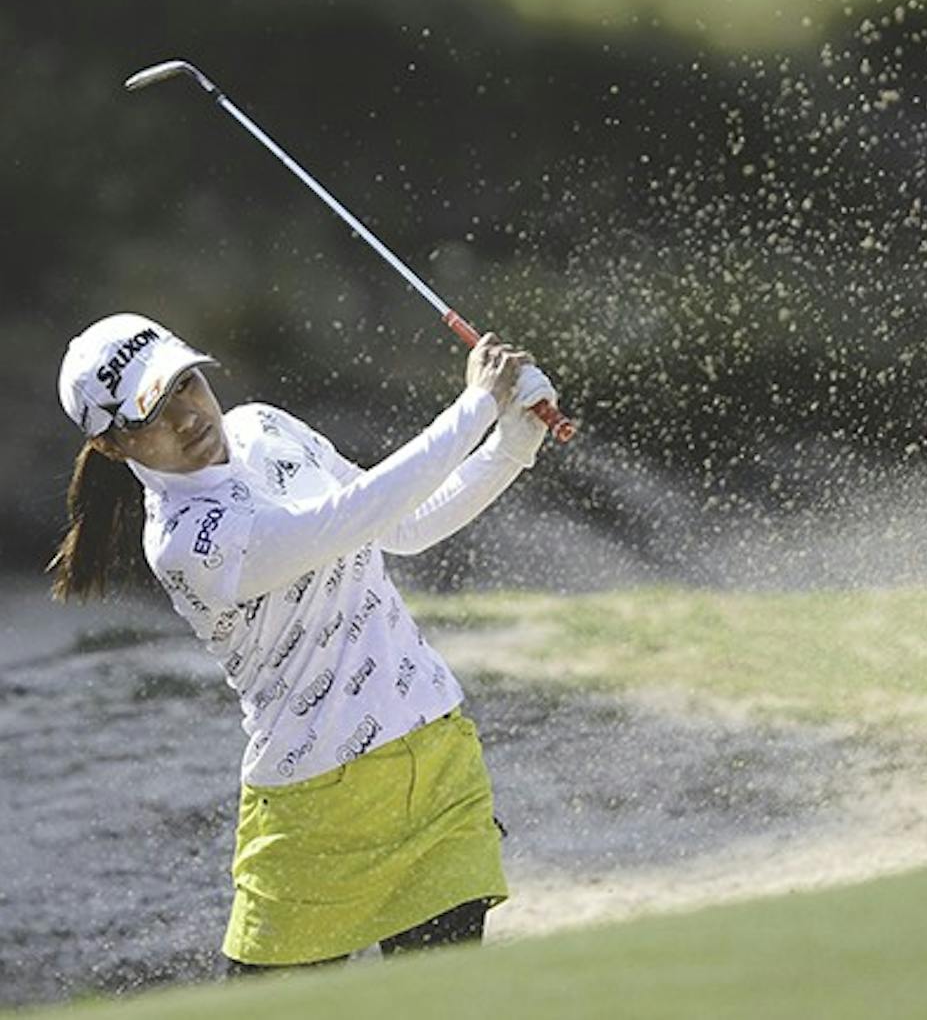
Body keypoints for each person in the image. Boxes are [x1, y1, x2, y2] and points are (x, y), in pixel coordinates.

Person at [49, 312, 556, 972]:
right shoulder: (185, 540)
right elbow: (347, 519)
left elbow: (400, 526)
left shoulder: (264, 425)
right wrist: (475, 405)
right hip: (315, 808)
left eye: (185, 384)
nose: (187, 415)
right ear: (115, 446)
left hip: (436, 764)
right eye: (150, 413)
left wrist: (513, 440)